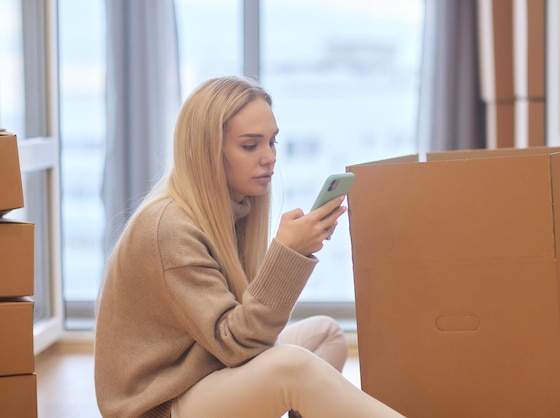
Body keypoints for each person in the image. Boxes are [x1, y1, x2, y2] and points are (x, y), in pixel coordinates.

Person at [94, 75, 405, 418]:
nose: (269, 157)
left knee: (326, 334)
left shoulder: (232, 209)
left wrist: (292, 253)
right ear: (208, 151)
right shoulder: (169, 228)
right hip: (161, 406)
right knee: (292, 366)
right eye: (250, 145)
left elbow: (242, 340)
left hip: (204, 375)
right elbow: (236, 344)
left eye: (272, 142)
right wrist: (289, 255)